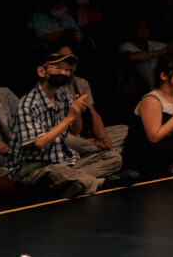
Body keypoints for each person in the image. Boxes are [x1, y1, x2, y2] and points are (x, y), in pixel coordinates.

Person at [9, 50, 131, 197]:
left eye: (68, 70)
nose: (64, 73)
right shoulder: (28, 104)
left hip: (63, 161)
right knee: (56, 171)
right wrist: (69, 117)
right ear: (42, 71)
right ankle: (101, 183)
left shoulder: (64, 94)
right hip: (32, 169)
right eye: (58, 68)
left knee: (113, 158)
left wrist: (76, 112)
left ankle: (74, 182)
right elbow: (39, 143)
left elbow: (75, 131)